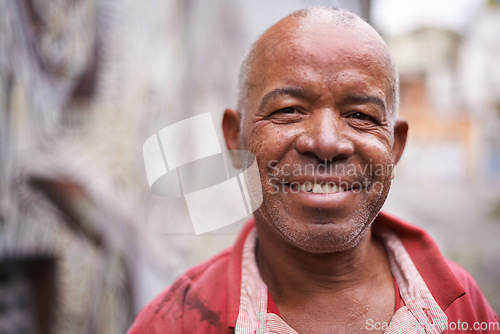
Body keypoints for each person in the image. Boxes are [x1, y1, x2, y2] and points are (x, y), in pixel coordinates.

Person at [129, 7, 500, 334]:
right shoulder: (177, 323)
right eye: (289, 110)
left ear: (395, 145)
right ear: (233, 139)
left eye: (360, 116)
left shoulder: (458, 306)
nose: (325, 143)